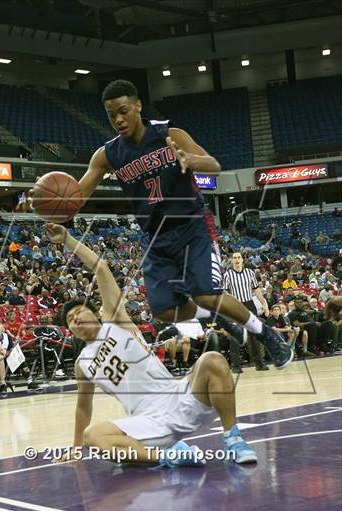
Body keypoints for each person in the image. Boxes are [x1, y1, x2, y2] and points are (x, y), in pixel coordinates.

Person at [30, 79, 292, 371]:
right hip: (154, 235)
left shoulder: (170, 134)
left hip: (192, 226)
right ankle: (214, 316)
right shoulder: (106, 155)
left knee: (204, 292)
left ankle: (265, 334)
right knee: (164, 310)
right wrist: (48, 208)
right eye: (111, 114)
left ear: (138, 106)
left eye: (124, 111)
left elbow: (214, 165)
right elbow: (75, 199)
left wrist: (189, 158)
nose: (118, 119)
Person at [46, 222, 257, 466]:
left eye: (79, 312)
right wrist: (75, 448)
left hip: (177, 397)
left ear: (96, 313)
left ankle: (233, 438)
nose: (75, 319)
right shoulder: (82, 364)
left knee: (213, 360)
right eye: (70, 320)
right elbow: (83, 407)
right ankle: (171, 455)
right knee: (94, 436)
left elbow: (101, 268)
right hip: (145, 420)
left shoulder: (116, 322)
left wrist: (68, 240)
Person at [224, 252, 269, 373]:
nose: (237, 260)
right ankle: (235, 365)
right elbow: (225, 293)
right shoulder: (228, 274)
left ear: (242, 260)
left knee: (254, 335)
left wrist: (264, 304)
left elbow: (256, 290)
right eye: (234, 258)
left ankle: (259, 363)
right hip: (235, 305)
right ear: (231, 261)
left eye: (239, 257)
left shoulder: (250, 272)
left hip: (249, 304)